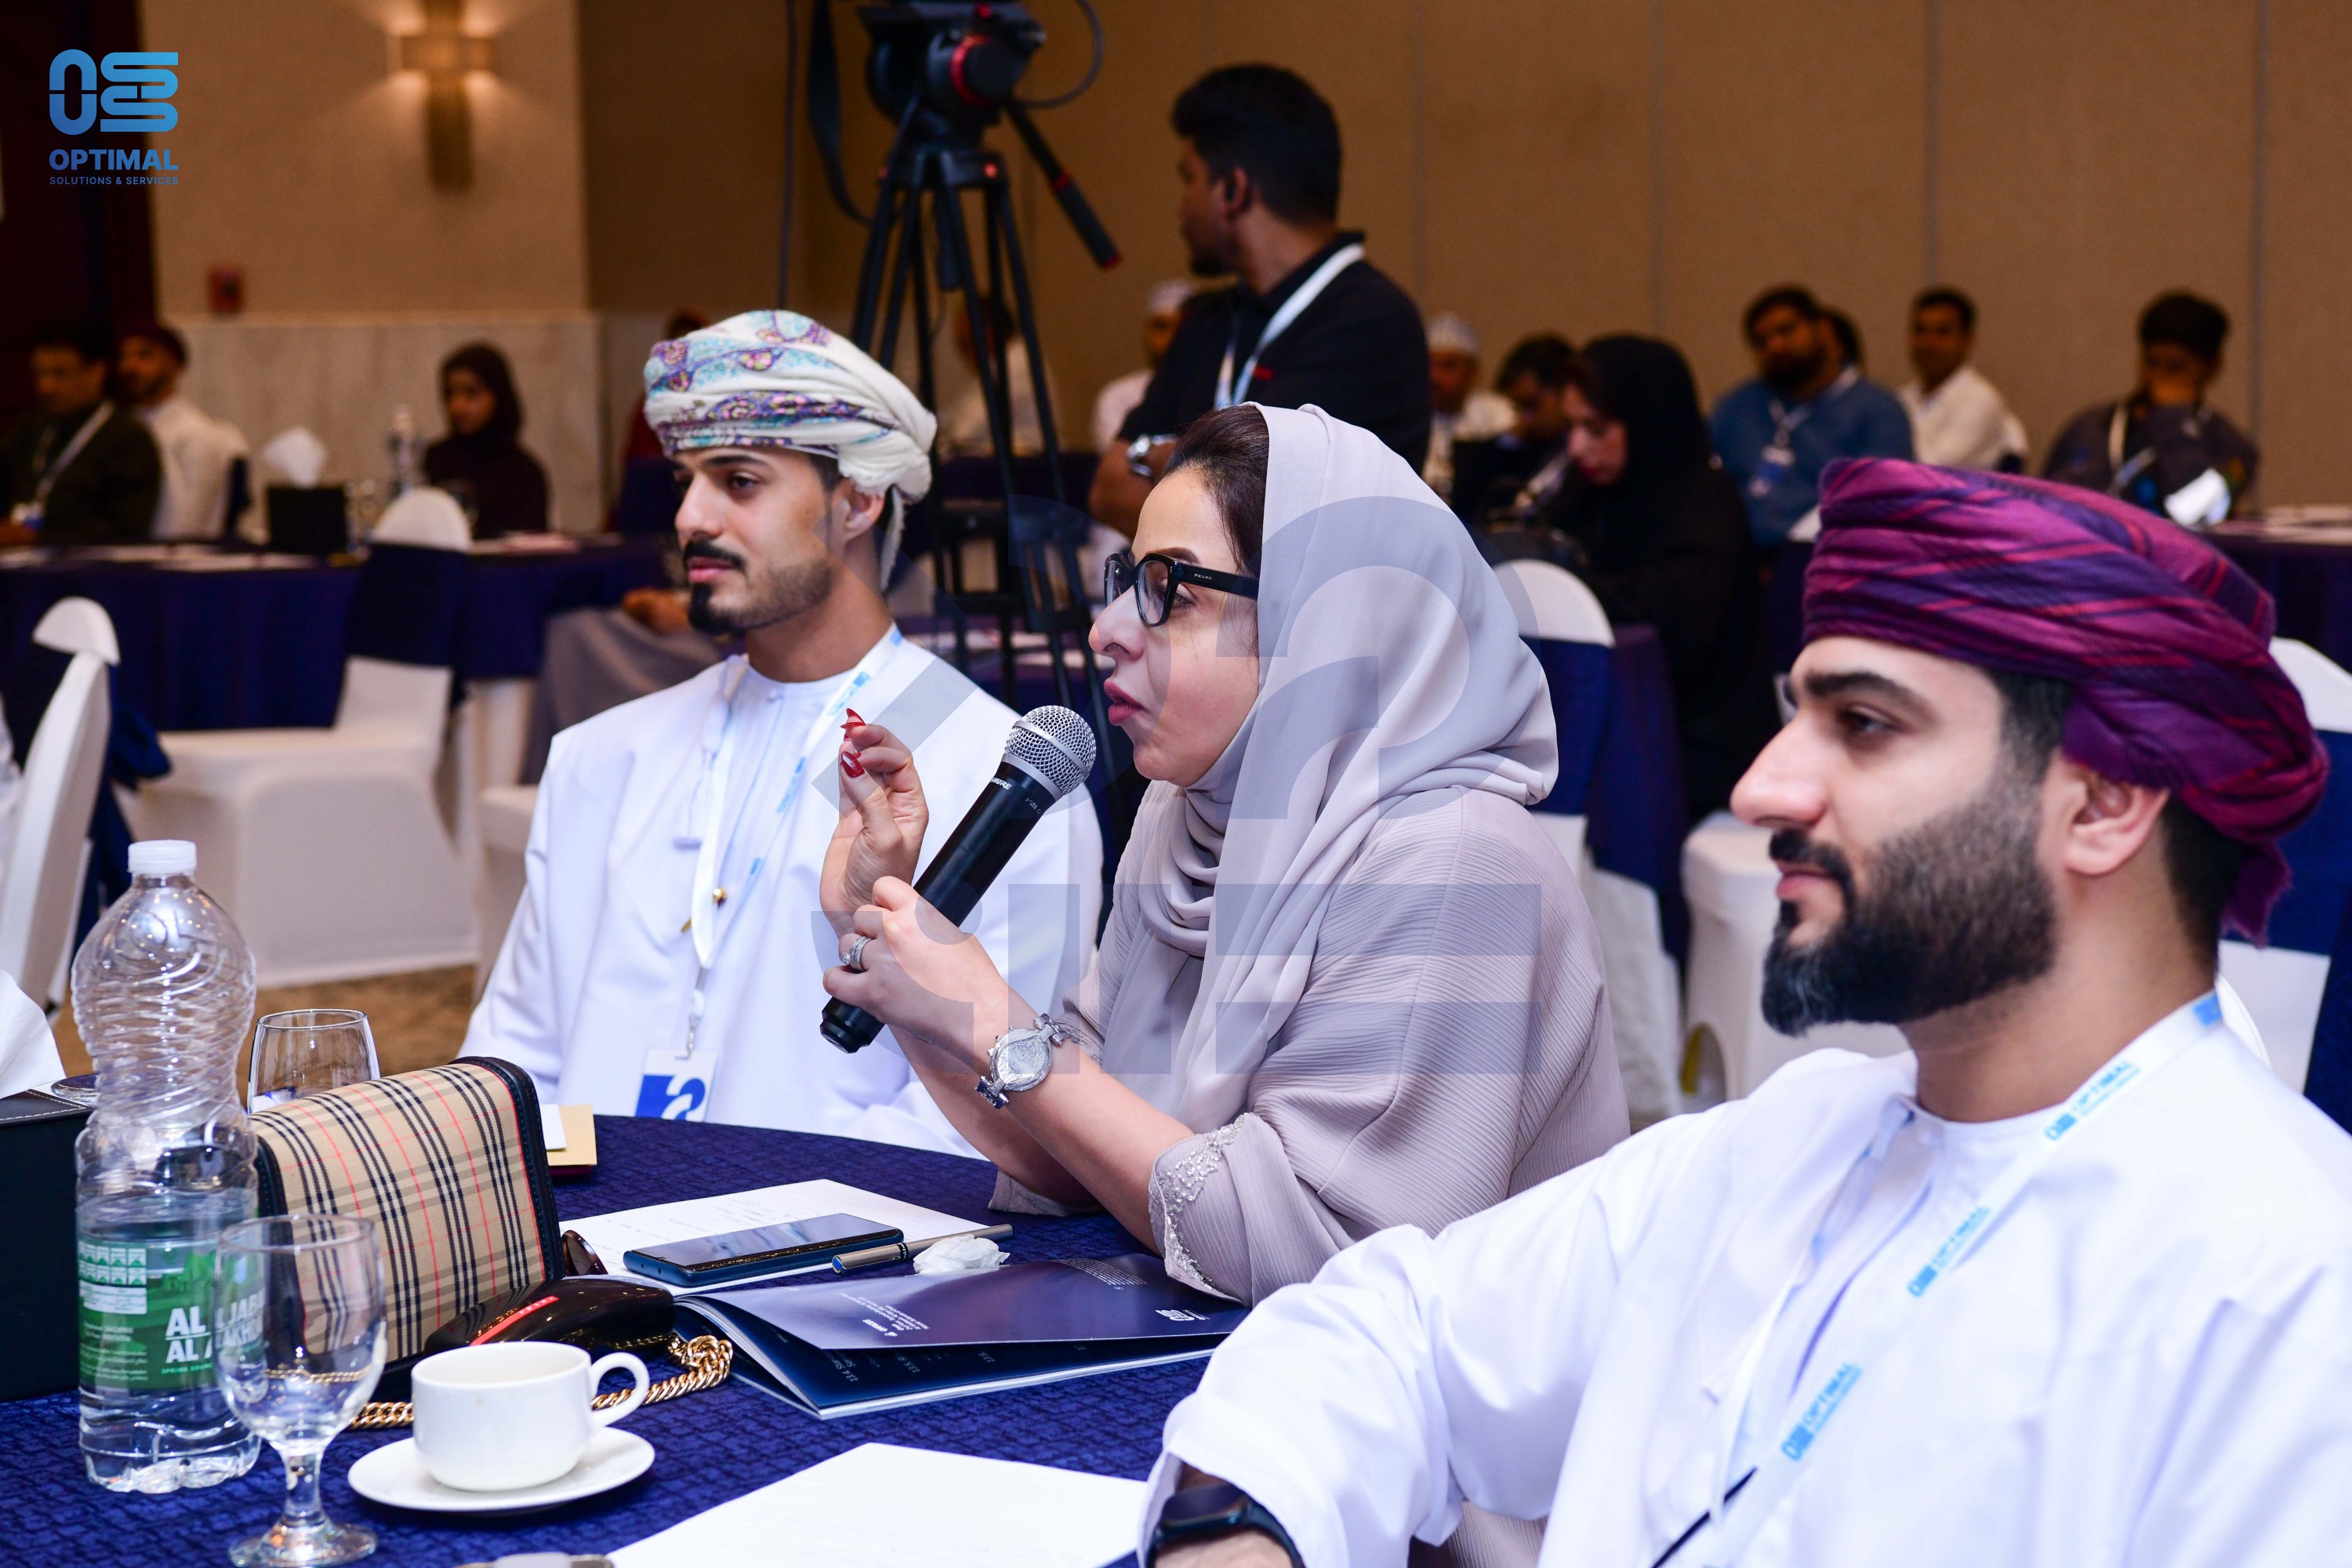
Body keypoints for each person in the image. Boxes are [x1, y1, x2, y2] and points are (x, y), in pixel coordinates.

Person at [1131, 458, 2350, 1568]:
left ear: (2106, 802)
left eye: (1864, 725)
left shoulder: (2288, 1298)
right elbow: (1383, 1335)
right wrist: (1235, 1529)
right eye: (1795, 711)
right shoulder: (1794, 1138)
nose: (1764, 786)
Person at [825, 405, 1627, 1328]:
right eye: (1126, 579)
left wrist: (996, 1021)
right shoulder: (1189, 814)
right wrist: (909, 962)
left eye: (1169, 589)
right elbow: (1071, 1150)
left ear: (1322, 625)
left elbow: (1327, 1249)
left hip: (1434, 1389)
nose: (1106, 630)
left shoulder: (1454, 862)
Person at [464, 311, 1102, 1149]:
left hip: (847, 1228)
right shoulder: (602, 756)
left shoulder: (1007, 784)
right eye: (686, 481)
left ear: (858, 501)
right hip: (583, 1223)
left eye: (739, 481)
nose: (690, 517)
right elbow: (511, 1063)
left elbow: (1004, 1121)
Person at [1091, 66, 1428, 533]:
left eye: (1189, 178)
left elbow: (1258, 517)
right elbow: (1109, 490)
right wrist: (1195, 468)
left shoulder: (1369, 322)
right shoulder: (1206, 319)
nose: (1181, 207)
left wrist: (1150, 455)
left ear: (1234, 189)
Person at [1548, 336, 1773, 818]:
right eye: (1571, 427)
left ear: (1648, 421)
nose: (1576, 447)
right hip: (1603, 733)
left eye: (1596, 428)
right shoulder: (1584, 494)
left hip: (1697, 749)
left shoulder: (1706, 503)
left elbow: (1673, 628)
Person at [1710, 285, 1912, 545]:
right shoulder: (1736, 406)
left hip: (1828, 552)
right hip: (1736, 551)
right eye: (1762, 341)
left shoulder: (1879, 410)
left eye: (1785, 331)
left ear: (1823, 330)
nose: (1775, 346)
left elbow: (1879, 497)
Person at [2043, 291, 2258, 521]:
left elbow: (2196, 515)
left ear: (2211, 367)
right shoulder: (2091, 427)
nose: (2158, 378)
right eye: (2151, 363)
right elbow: (2041, 509)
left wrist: (2174, 419)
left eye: (2175, 367)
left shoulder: (2232, 449)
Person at [0, 322, 162, 546]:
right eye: (40, 374)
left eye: (59, 374)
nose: (46, 386)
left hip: (86, 564)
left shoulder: (128, 439)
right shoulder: (32, 427)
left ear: (96, 372)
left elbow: (127, 531)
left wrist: (38, 539)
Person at [115, 321, 249, 540]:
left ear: (174, 364)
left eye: (144, 355)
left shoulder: (196, 433)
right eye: (124, 357)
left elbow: (189, 525)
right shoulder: (119, 428)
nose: (130, 366)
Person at [1449, 333, 1575, 525]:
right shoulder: (1531, 445)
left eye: (1532, 404)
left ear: (1564, 390)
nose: (1524, 420)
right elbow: (1467, 503)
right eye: (1518, 408)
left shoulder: (1586, 455)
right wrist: (1511, 440)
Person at [425, 342, 550, 535]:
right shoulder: (436, 460)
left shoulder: (522, 472)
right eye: (451, 393)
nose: (458, 406)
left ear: (498, 395)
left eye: (471, 393)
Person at [1896, 286, 2027, 472]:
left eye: (1942, 332)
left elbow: (1931, 471)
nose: (1928, 342)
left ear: (1968, 340)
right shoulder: (1902, 398)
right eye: (1920, 330)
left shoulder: (1980, 400)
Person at [938, 293, 1058, 459]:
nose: (963, 353)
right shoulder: (1008, 362)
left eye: (965, 342)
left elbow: (965, 432)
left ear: (988, 334)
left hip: (1024, 466)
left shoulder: (1013, 364)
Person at [1421, 312, 1515, 501]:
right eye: (1430, 365)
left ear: (1473, 372)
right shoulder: (1410, 419)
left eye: (1448, 366)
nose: (1435, 377)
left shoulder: (1499, 414)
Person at [1094, 280, 1196, 452]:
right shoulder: (1118, 396)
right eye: (1161, 327)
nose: (1171, 338)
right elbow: (1120, 459)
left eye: (1181, 329)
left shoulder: (1220, 391)